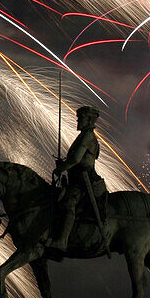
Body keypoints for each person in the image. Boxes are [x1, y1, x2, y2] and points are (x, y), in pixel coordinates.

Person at [54, 105, 107, 251]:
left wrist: (62, 168)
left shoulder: (87, 136)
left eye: (81, 118)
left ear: (89, 120)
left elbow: (76, 159)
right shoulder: (83, 135)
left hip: (84, 180)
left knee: (68, 202)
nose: (78, 121)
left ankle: (62, 241)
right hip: (77, 178)